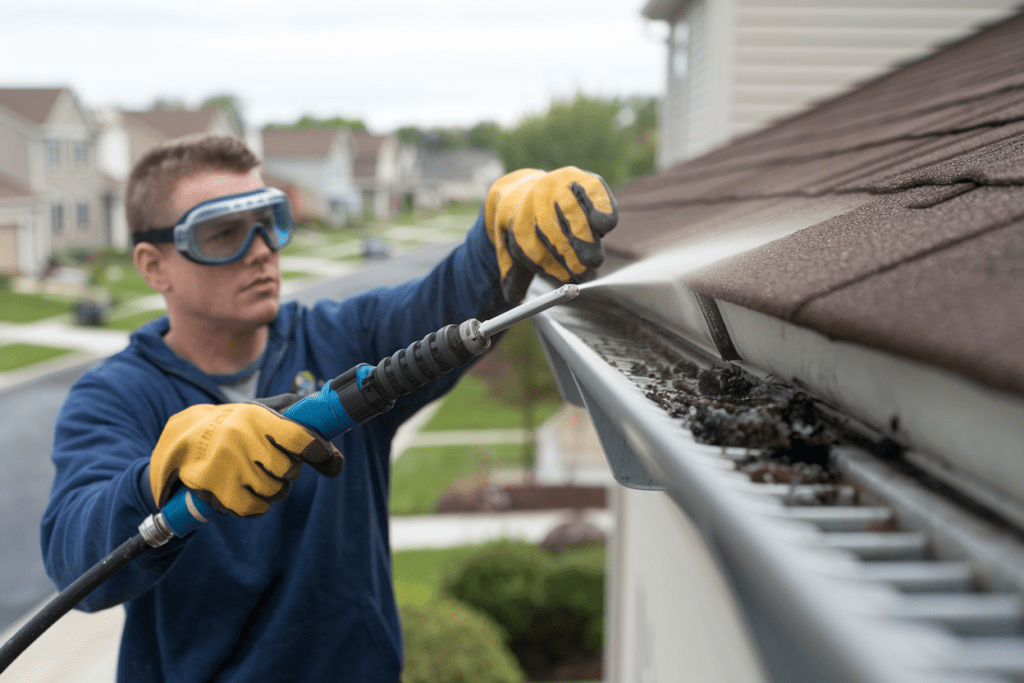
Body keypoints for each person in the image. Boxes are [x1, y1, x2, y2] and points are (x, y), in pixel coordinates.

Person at [40, 134, 617, 682]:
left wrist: (499, 233)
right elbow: (76, 561)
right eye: (223, 234)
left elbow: (445, 299)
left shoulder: (342, 342)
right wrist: (159, 477)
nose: (261, 251)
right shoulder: (115, 397)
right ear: (152, 265)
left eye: (269, 223)